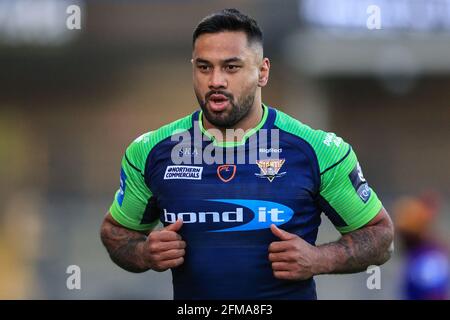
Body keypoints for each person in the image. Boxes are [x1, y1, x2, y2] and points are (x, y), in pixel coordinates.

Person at [100, 8, 394, 299]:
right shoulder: (150, 152)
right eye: (204, 67)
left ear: (262, 72)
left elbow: (381, 236)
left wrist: (320, 259)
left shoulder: (317, 151)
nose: (216, 80)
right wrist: (143, 254)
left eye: (231, 67)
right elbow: (115, 231)